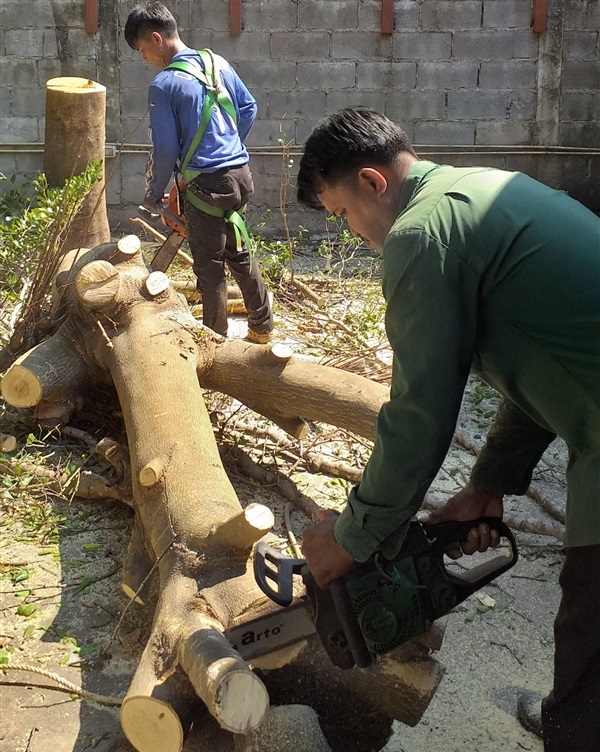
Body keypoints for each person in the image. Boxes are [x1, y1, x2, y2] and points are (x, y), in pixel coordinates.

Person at [297, 107, 599, 752]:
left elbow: (420, 411)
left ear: (374, 183)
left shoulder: (421, 233)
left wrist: (352, 535)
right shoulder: (479, 193)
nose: (352, 233)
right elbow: (548, 365)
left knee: (592, 616)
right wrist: (489, 482)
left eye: (345, 213)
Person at [124, 2, 273, 342]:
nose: (143, 58)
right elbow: (248, 107)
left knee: (209, 267)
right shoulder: (215, 61)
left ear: (157, 39)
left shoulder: (164, 84)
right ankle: (262, 328)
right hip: (240, 175)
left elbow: (165, 150)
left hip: (205, 184)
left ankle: (214, 343)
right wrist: (229, 145)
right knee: (240, 249)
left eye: (142, 50)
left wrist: (154, 193)